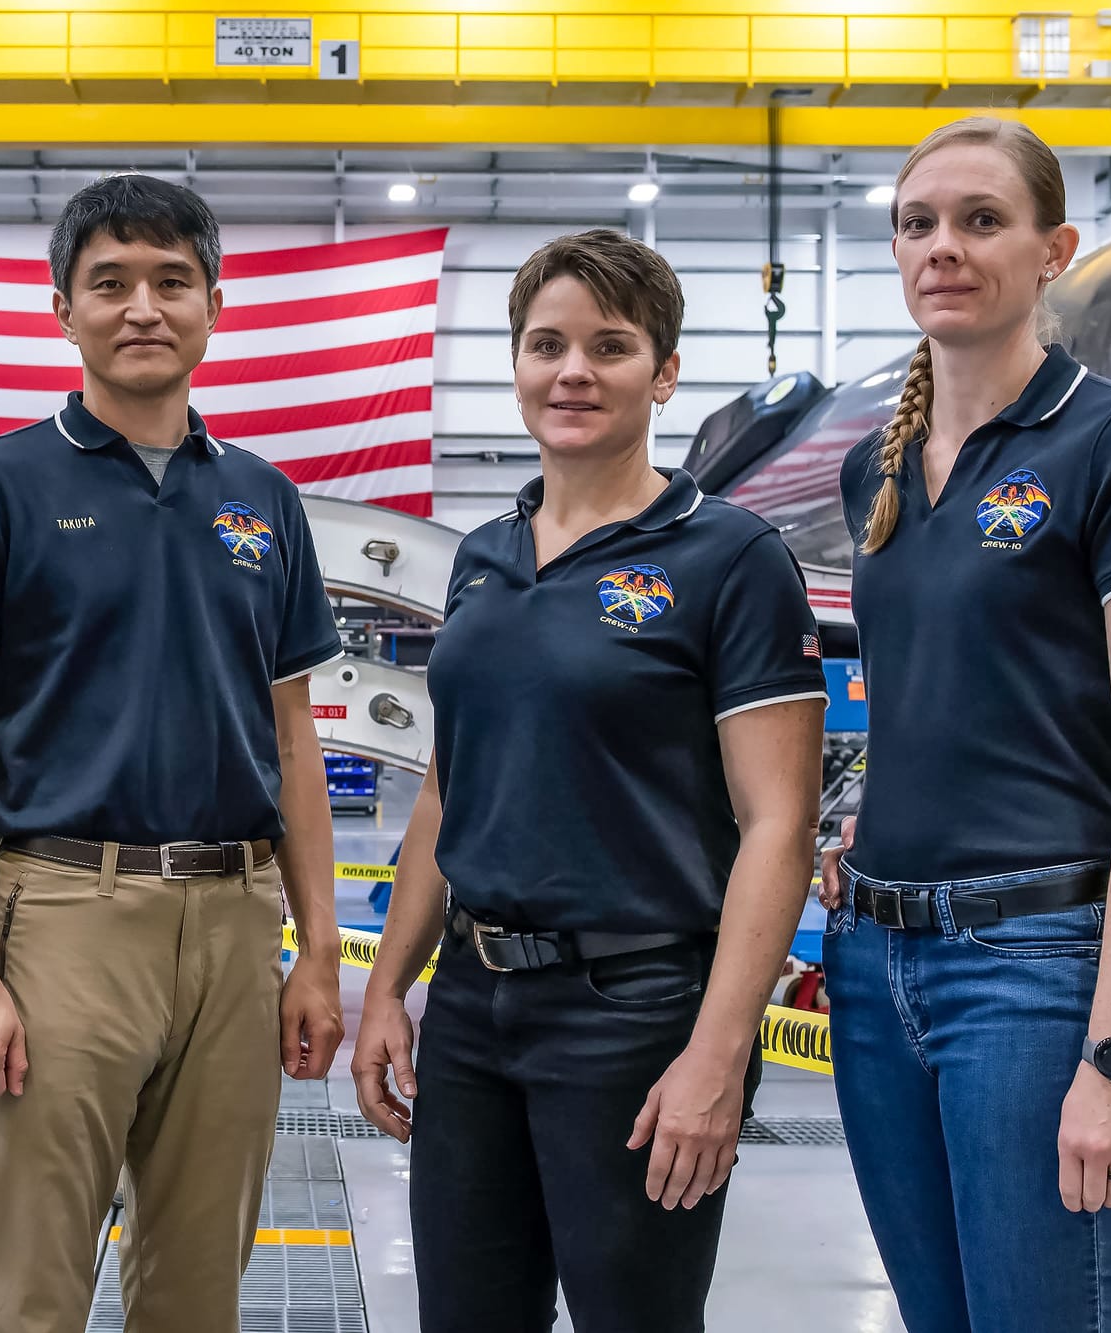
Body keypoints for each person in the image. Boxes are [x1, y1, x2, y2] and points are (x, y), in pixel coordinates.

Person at [351, 229, 828, 1332]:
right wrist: (390, 988)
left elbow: (777, 826)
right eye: (545, 344)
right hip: (473, 1009)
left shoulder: (728, 559)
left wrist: (718, 1051)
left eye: (608, 346)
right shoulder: (481, 555)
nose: (572, 371)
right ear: (514, 366)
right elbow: (443, 789)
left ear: (661, 372)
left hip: (636, 1013)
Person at [0, 173, 347, 1333]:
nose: (141, 305)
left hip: (237, 916)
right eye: (110, 282)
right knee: (29, 1286)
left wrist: (315, 951)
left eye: (170, 281)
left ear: (211, 304)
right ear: (62, 306)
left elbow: (292, 734)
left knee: (198, 1288)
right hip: (61, 917)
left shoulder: (263, 500)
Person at [818, 117, 1111, 1333]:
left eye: (980, 221)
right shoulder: (873, 472)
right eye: (917, 223)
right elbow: (923, 701)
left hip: (1031, 975)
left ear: (1053, 251)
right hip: (874, 968)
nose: (943, 246)